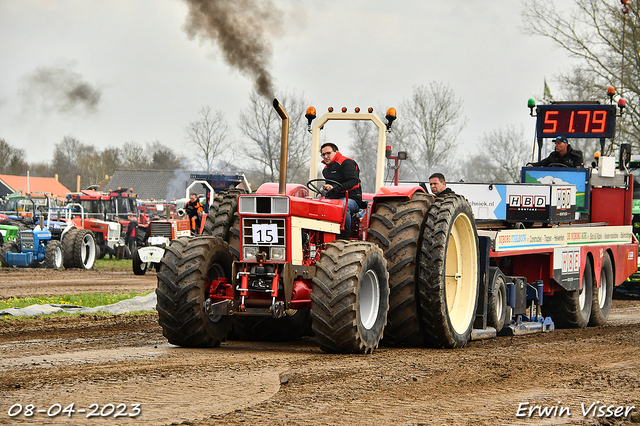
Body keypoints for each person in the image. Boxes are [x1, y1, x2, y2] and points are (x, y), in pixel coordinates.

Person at [320, 142, 363, 233]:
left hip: (351, 198)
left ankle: (345, 233)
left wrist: (336, 188)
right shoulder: (325, 170)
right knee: (318, 204)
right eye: (323, 154)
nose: (326, 156)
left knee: (342, 205)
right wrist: (324, 191)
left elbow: (354, 182)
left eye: (328, 153)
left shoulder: (347, 163)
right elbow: (330, 186)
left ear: (336, 152)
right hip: (334, 198)